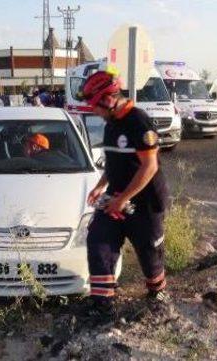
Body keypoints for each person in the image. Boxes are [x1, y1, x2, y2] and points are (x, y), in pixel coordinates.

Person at [79, 69, 169, 317]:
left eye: (94, 106)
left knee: (150, 253)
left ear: (107, 100)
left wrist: (123, 199)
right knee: (98, 241)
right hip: (117, 199)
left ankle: (157, 291)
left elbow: (149, 166)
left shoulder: (138, 121)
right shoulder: (110, 125)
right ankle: (102, 304)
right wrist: (101, 186)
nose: (93, 111)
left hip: (145, 204)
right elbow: (113, 163)